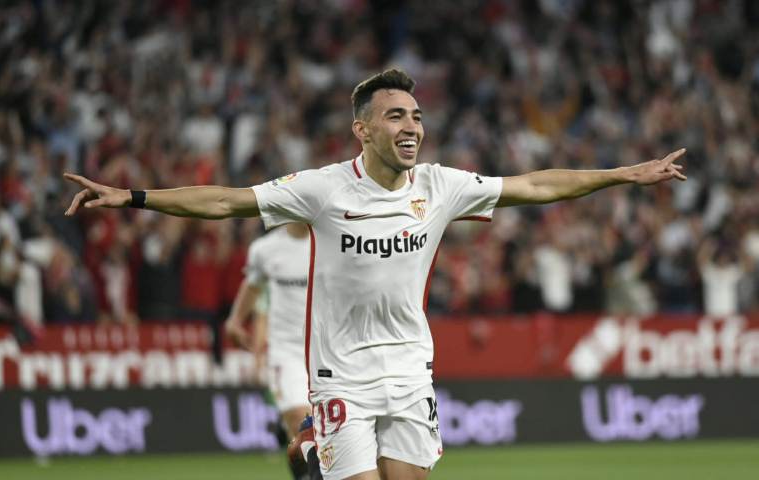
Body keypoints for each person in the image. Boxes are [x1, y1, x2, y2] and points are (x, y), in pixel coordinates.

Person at [64, 68, 686, 480]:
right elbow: (226, 201)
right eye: (395, 116)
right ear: (362, 130)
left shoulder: (441, 186)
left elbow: (536, 186)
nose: (411, 126)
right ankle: (317, 447)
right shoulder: (321, 189)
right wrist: (133, 197)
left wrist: (621, 175)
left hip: (411, 371)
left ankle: (313, 454)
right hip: (343, 378)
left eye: (415, 115)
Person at [224, 222, 311, 479]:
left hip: (327, 349)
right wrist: (235, 320)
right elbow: (253, 285)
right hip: (286, 350)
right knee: (301, 423)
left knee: (329, 433)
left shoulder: (331, 240)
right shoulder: (266, 249)